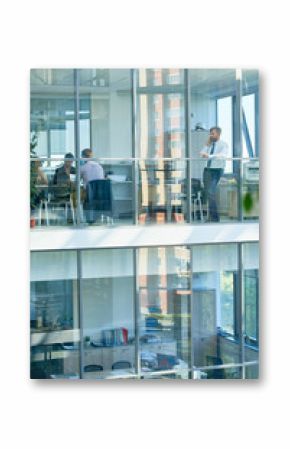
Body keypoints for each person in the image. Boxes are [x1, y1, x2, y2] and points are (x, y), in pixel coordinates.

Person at [200, 126, 228, 222]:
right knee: (208, 193)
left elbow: (222, 155)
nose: (211, 135)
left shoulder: (223, 144)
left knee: (211, 192)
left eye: (213, 133)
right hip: (207, 169)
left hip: (217, 170)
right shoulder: (209, 144)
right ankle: (211, 216)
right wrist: (207, 145)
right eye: (210, 133)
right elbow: (201, 153)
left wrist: (210, 156)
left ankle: (215, 218)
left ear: (218, 134)